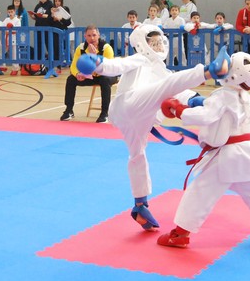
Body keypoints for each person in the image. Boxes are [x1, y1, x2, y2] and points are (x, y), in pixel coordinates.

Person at [75, 25, 232, 232]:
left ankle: (140, 205)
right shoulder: (140, 59)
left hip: (141, 118)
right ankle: (210, 70)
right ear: (143, 44)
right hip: (128, 103)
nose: (158, 46)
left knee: (137, 155)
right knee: (167, 85)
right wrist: (100, 64)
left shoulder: (162, 70)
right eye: (154, 43)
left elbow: (176, 89)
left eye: (160, 43)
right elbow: (119, 65)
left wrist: (196, 101)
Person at [156, 52, 250, 248]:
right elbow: (249, 120)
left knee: (200, 192)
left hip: (227, 157)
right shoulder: (245, 97)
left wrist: (179, 110)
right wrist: (205, 104)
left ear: (232, 74)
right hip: (249, 153)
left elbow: (206, 116)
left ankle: (180, 234)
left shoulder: (223, 95)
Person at [60, 25, 116, 123]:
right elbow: (74, 66)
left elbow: (106, 67)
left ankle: (104, 113)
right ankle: (69, 111)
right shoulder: (81, 48)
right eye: (89, 36)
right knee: (71, 79)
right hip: (90, 76)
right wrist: (78, 74)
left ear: (98, 35)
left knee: (105, 80)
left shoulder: (106, 48)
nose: (92, 38)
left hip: (107, 74)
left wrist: (93, 57)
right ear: (85, 36)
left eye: (94, 35)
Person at [1, 4, 21, 75]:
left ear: (14, 11)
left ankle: (15, 68)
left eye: (11, 12)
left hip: (14, 39)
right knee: (2, 53)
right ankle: (2, 66)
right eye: (9, 12)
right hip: (6, 39)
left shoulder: (17, 20)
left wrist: (12, 27)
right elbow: (2, 26)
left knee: (14, 54)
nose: (10, 13)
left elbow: (18, 29)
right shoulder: (6, 19)